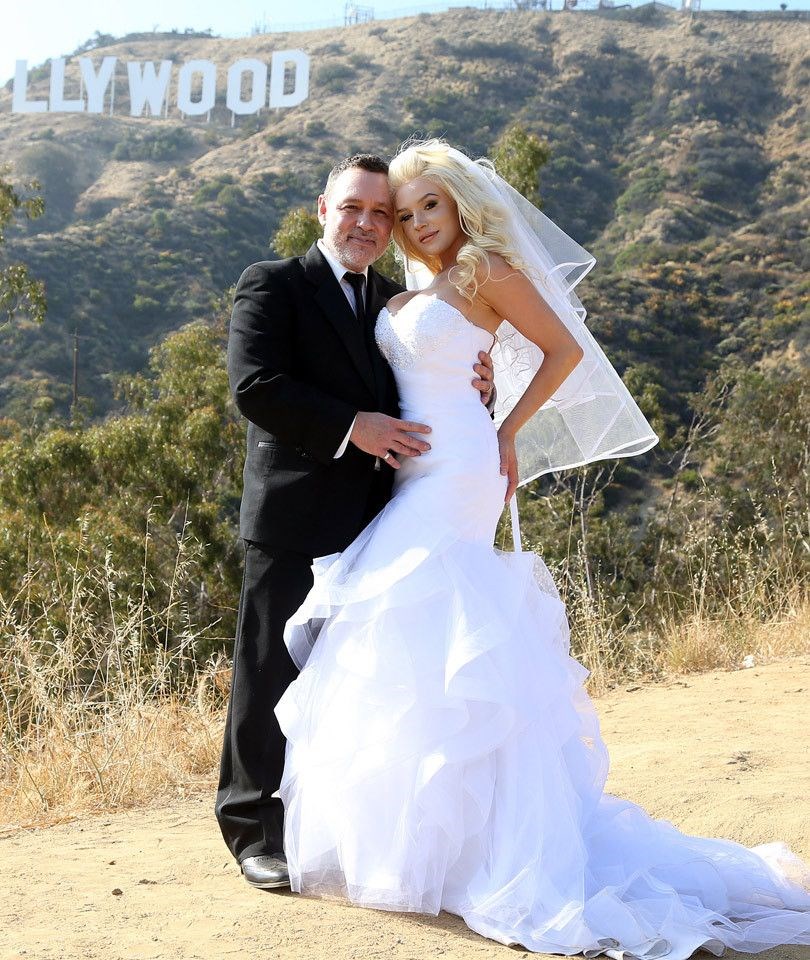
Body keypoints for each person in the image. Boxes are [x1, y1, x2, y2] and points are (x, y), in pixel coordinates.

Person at [274, 139, 810, 957]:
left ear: (459, 204)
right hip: (415, 471)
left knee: (416, 616)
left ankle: (495, 848)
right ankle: (446, 846)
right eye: (405, 213)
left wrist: (507, 429)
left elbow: (564, 350)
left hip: (463, 467)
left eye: (429, 205)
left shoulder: (485, 269)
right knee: (415, 635)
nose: (417, 223)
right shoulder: (410, 288)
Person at [216, 153, 495, 890]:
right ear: (323, 209)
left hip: (379, 515)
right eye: (353, 208)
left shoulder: (392, 300)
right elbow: (256, 386)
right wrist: (352, 427)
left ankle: (326, 827)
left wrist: (479, 382)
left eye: (381, 213)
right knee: (270, 672)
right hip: (294, 515)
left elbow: (427, 380)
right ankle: (252, 830)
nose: (367, 224)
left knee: (353, 681)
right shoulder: (273, 284)